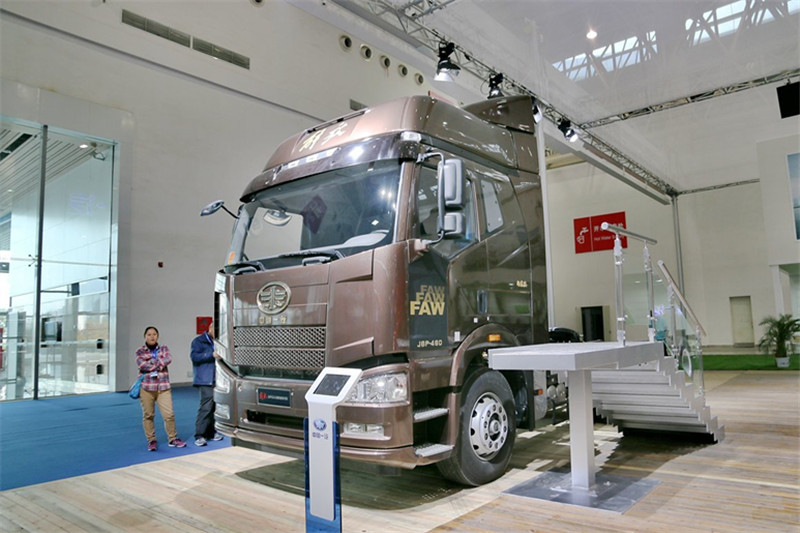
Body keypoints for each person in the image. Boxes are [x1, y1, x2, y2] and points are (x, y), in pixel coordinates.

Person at [135, 326, 186, 451]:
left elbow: (168, 359)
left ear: (157, 336)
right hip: (147, 388)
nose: (152, 337)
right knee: (148, 415)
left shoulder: (164, 348)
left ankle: (173, 438)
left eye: (154, 334)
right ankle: (151, 440)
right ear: (145, 337)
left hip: (163, 387)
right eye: (149, 334)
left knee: (169, 414)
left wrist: (151, 363)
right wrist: (159, 363)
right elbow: (142, 364)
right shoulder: (140, 351)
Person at [190, 320, 223, 446]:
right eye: (215, 329)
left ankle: (211, 432)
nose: (217, 332)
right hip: (205, 379)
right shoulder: (198, 341)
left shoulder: (219, 341)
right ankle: (199, 435)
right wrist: (211, 354)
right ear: (210, 328)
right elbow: (194, 357)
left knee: (214, 407)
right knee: (206, 407)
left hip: (217, 378)